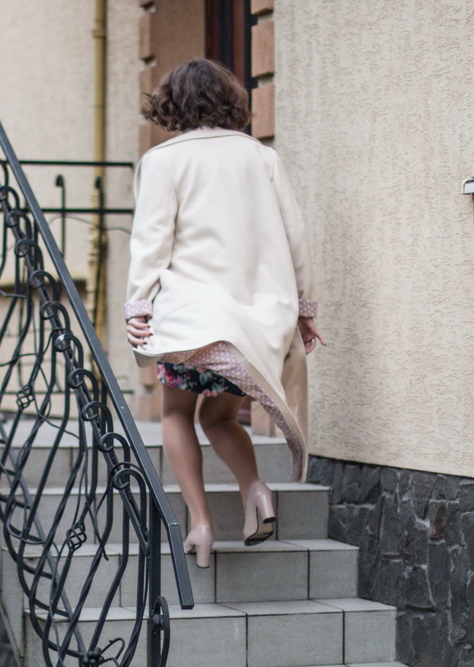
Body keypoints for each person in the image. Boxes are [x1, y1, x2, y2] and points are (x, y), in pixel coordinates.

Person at [124, 59, 324, 568]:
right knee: (219, 416)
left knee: (176, 413)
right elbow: (295, 235)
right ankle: (255, 489)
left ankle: (201, 524)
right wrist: (304, 308)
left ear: (171, 104)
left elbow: (151, 241)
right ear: (229, 98)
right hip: (250, 326)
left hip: (192, 323)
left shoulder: (163, 161)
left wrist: (138, 305)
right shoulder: (261, 157)